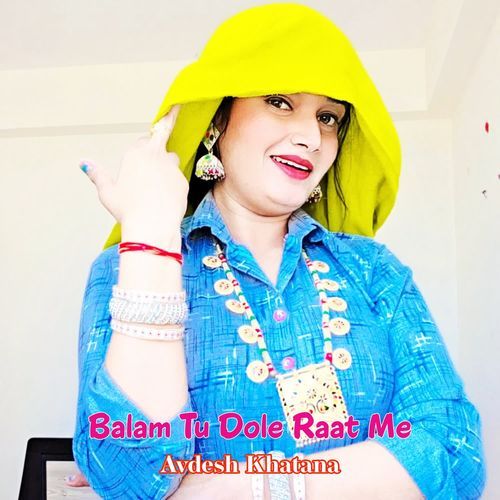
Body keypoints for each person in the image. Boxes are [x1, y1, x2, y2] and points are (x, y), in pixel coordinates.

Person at [70, 4, 486, 499]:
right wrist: (150, 240)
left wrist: (220, 488)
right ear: (217, 122)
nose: (310, 137)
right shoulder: (124, 268)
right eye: (280, 102)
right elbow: (131, 474)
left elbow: (455, 453)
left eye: (327, 117)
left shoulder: (372, 270)